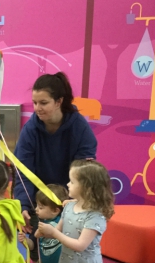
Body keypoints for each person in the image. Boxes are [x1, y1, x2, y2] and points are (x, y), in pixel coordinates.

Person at [14, 72, 97, 233]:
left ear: (59, 101)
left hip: (70, 201)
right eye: (35, 103)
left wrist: (72, 205)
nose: (38, 108)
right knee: (39, 250)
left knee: (68, 249)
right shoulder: (30, 129)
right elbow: (23, 172)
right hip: (41, 204)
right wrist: (24, 205)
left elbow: (84, 174)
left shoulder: (80, 129)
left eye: (43, 103)